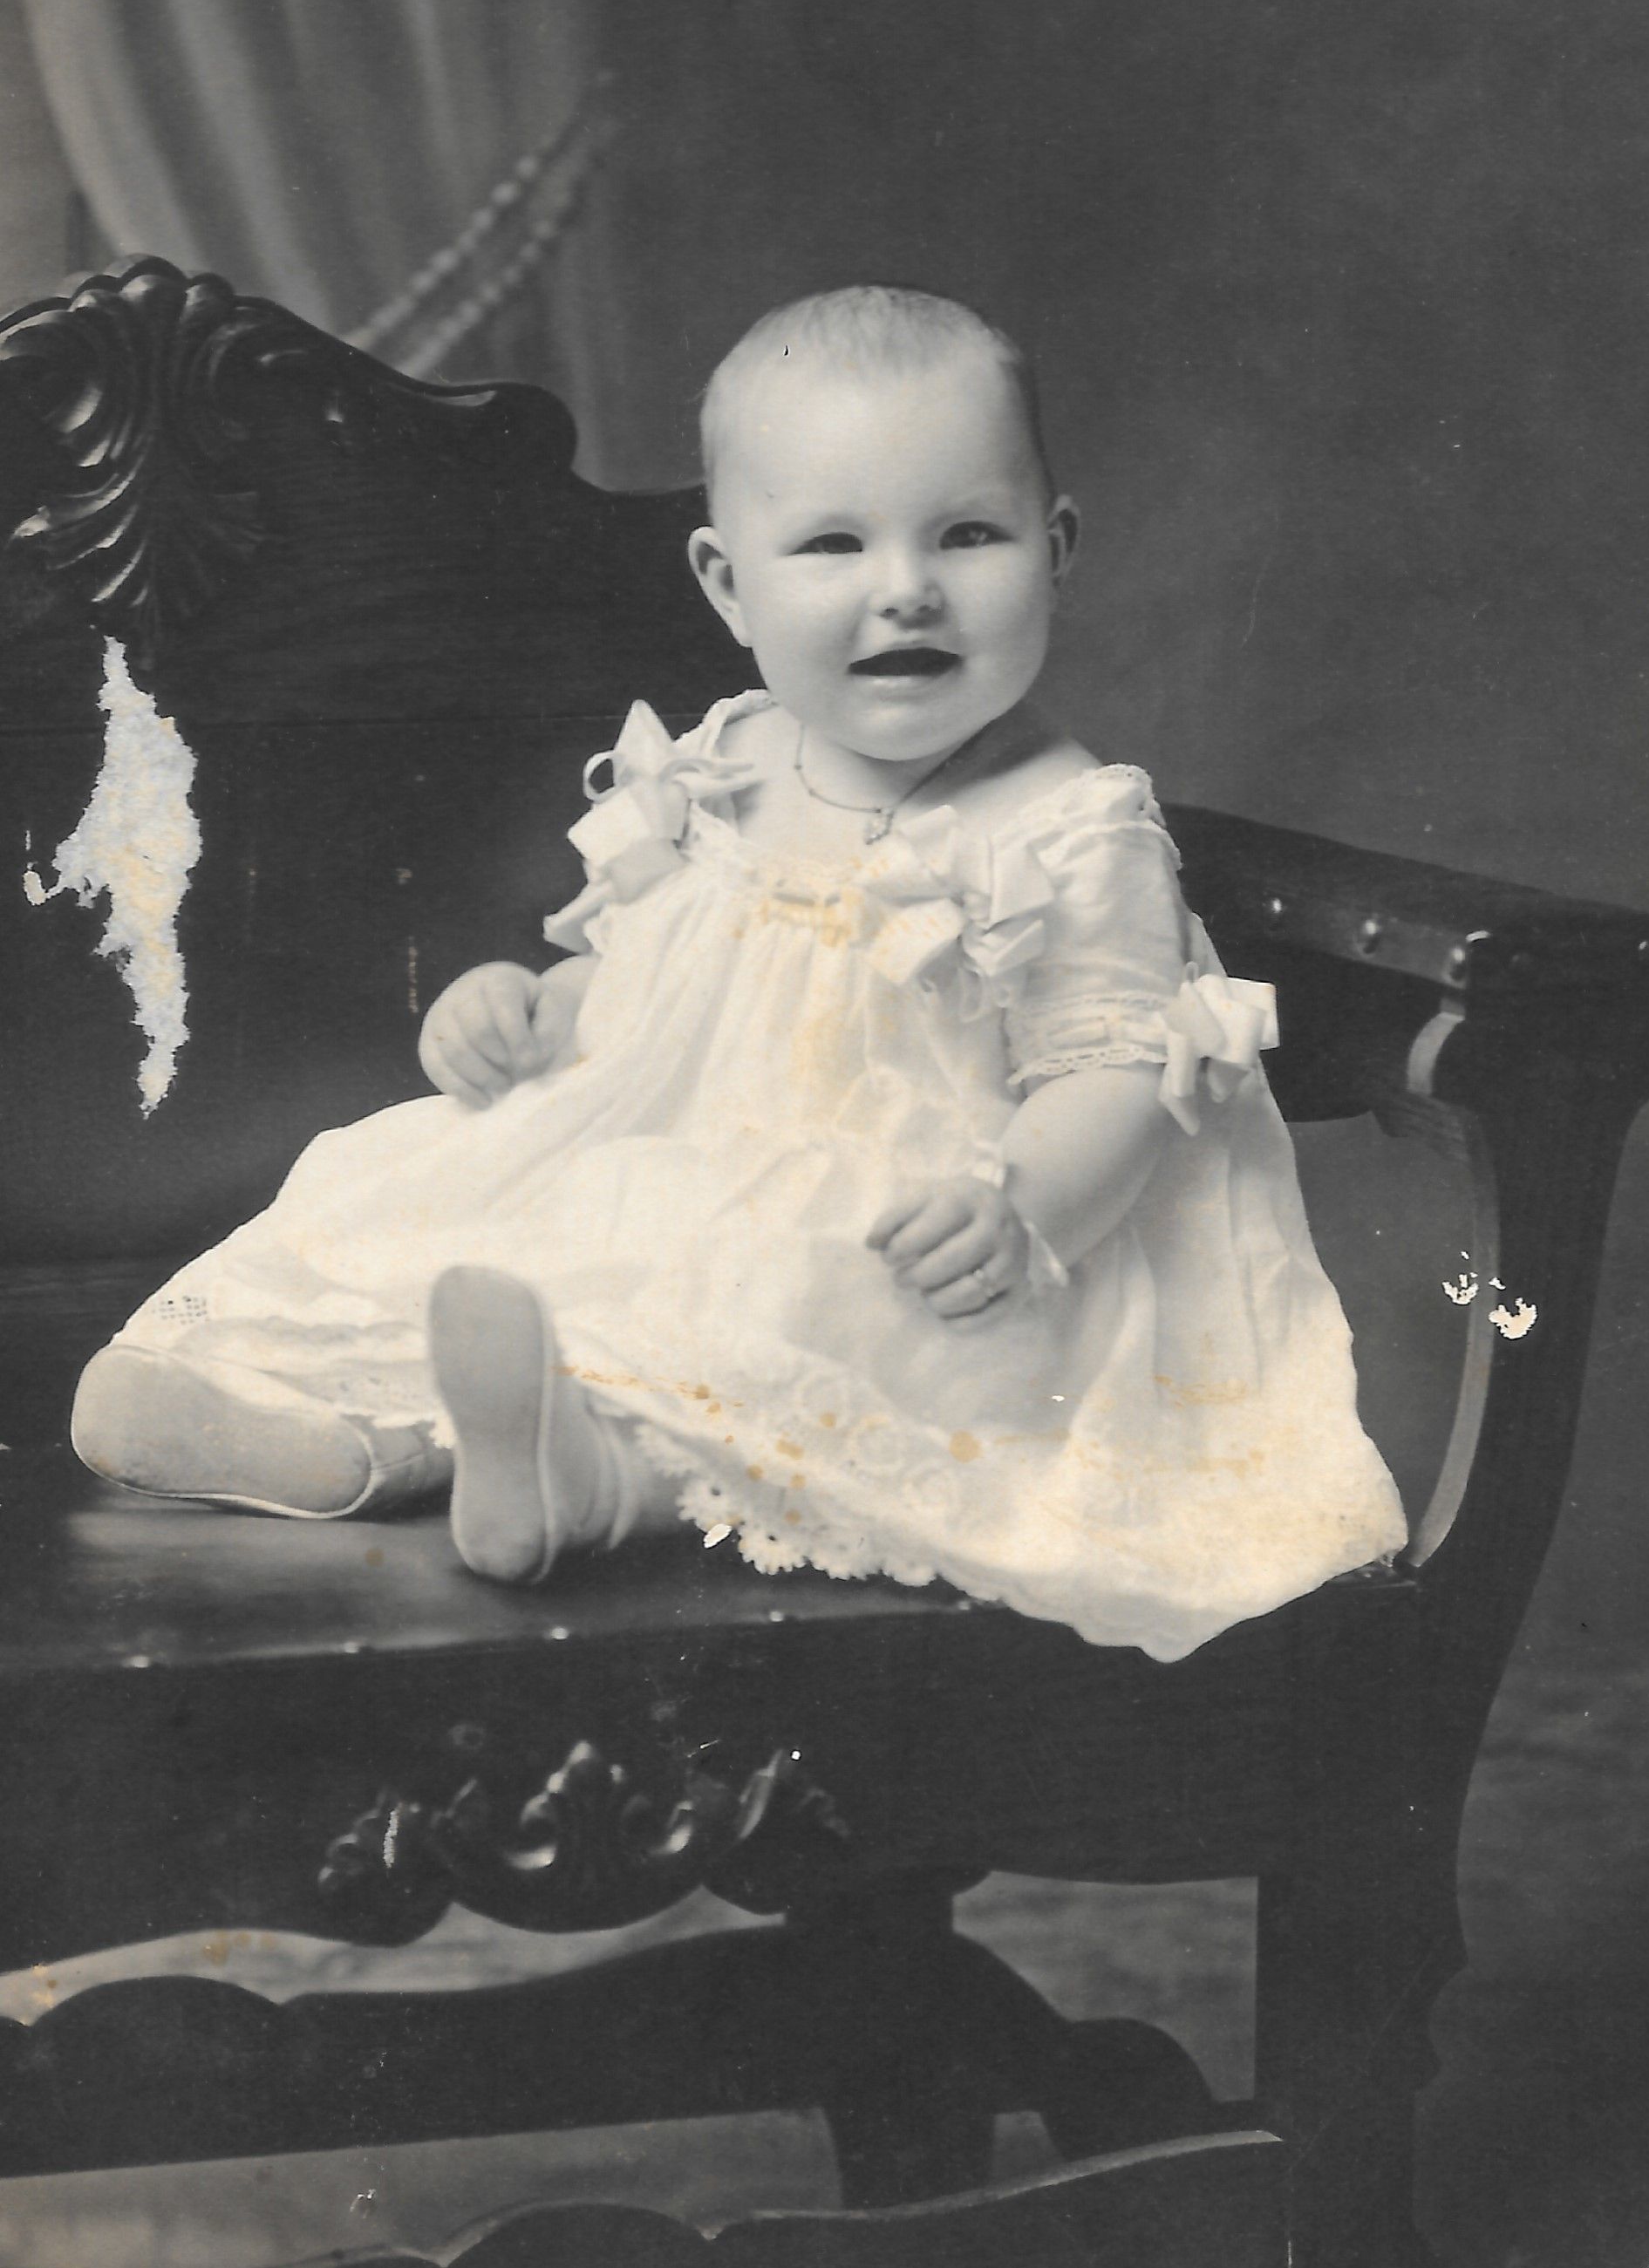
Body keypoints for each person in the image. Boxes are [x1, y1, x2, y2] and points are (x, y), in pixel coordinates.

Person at [68, 286, 1406, 1662]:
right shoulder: (723, 764)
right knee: (466, 1219)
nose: (907, 587)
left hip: (921, 1223)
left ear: (1055, 551)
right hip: (677, 1161)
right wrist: (527, 1009)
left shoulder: (1068, 827)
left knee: (798, 1303)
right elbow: (635, 973)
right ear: (726, 584)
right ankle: (361, 1432)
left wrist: (1024, 1213)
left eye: (968, 535)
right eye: (833, 542)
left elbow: (1115, 1069)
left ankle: (599, 1479)